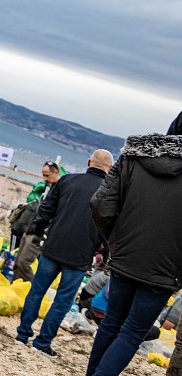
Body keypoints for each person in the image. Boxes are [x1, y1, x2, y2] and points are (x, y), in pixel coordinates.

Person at [87, 113, 182, 376]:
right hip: (166, 270)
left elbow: (100, 206)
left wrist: (116, 241)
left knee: (111, 324)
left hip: (126, 256)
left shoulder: (135, 156)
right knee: (131, 332)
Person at [15, 149, 113, 357]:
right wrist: (105, 256)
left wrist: (38, 231)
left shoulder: (67, 180)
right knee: (62, 301)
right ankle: (42, 342)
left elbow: (46, 209)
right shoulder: (110, 192)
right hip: (80, 255)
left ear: (89, 162)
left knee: (37, 291)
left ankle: (22, 335)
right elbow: (109, 229)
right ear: (110, 168)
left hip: (53, 246)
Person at [11, 161, 61, 282]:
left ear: (56, 172)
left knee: (24, 263)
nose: (45, 179)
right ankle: (16, 287)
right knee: (17, 263)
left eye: (47, 175)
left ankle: (33, 288)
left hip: (39, 233)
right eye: (43, 175)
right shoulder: (46, 189)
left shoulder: (59, 190)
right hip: (31, 228)